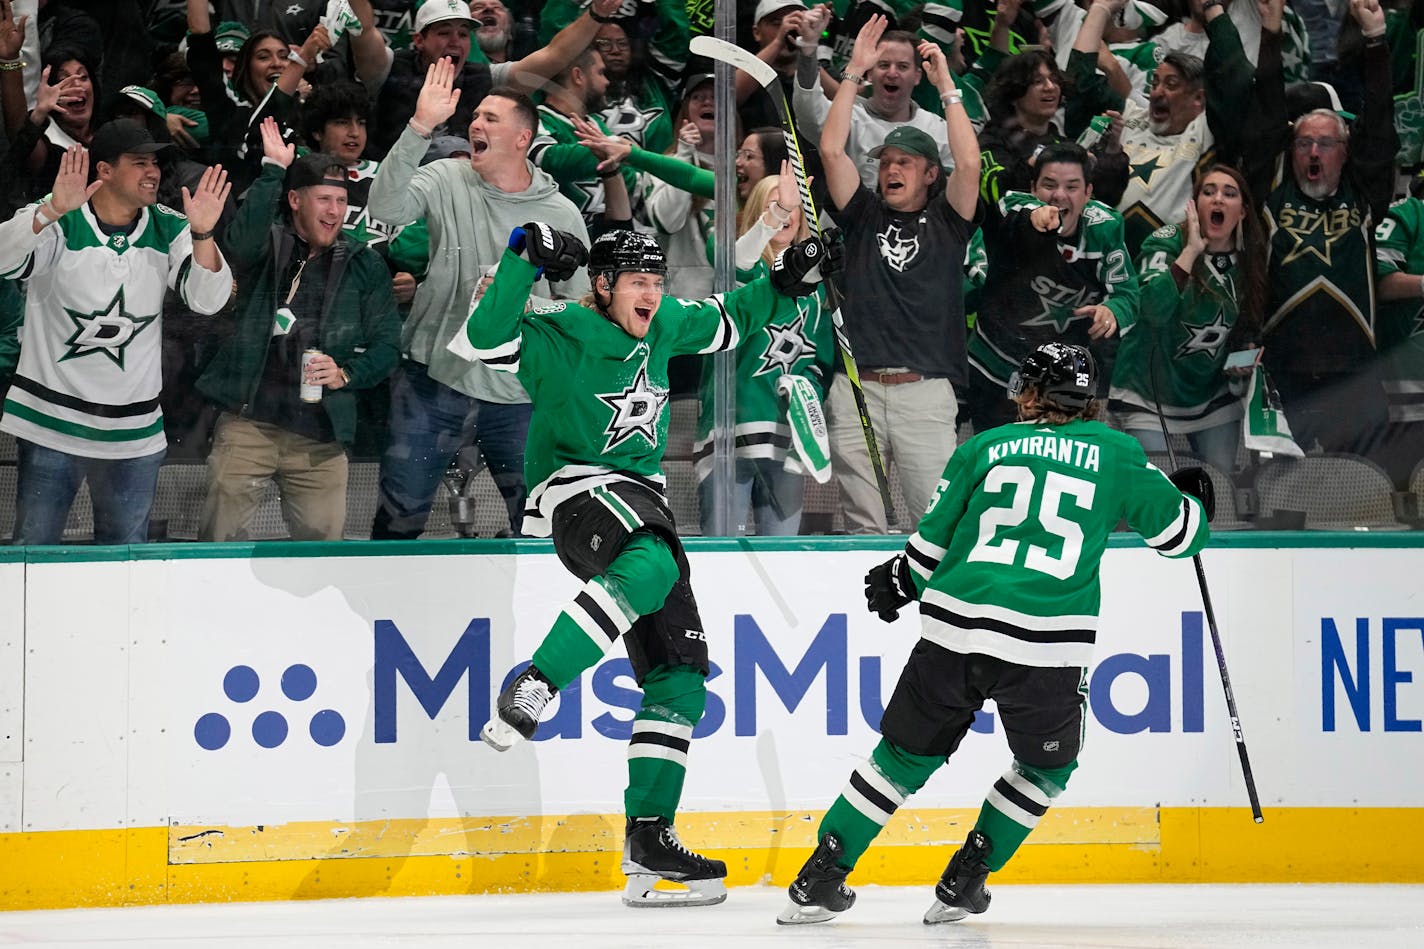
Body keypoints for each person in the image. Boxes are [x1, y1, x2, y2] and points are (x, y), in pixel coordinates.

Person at [456, 225, 831, 906]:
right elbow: (484, 338)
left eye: (657, 281)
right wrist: (521, 255)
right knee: (654, 563)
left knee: (681, 678)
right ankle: (536, 683)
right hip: (577, 492)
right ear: (602, 286)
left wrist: (787, 279)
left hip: (639, 503)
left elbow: (733, 317)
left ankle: (649, 843)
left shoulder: (666, 324)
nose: (651, 293)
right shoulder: (561, 322)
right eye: (637, 282)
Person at [779, 342, 1211, 925]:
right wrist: (1193, 500)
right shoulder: (1117, 452)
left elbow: (927, 552)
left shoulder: (981, 447)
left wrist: (898, 582)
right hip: (1045, 648)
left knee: (899, 761)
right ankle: (965, 880)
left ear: (1031, 393)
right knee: (1046, 768)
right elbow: (1180, 539)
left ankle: (819, 878)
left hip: (953, 632)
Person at [365, 61, 590, 539]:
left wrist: (525, 309)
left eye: (491, 118)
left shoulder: (561, 212)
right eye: (476, 115)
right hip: (432, 380)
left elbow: (580, 309)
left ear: (522, 139)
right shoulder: (447, 177)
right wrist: (420, 126)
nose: (475, 123)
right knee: (399, 517)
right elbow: (384, 208)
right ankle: (385, 607)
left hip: (520, 395)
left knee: (538, 522)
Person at [0, 121, 232, 544]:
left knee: (126, 569)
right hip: (52, 424)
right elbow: (3, 259)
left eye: (156, 163)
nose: (153, 172)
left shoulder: (171, 227)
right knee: (34, 558)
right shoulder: (61, 217)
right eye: (139, 162)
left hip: (134, 436)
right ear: (104, 171)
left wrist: (203, 233)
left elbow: (208, 300)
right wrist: (51, 209)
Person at [196, 120, 401, 542]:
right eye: (323, 199)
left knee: (323, 552)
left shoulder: (365, 263)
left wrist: (346, 374)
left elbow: (388, 347)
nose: (334, 211)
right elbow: (236, 245)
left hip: (321, 437)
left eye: (341, 201)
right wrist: (273, 169)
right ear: (293, 200)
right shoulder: (267, 245)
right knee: (220, 540)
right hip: (249, 423)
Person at [819, 14, 981, 534]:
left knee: (935, 531)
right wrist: (852, 74)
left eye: (905, 163)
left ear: (931, 173)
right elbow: (829, 149)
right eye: (885, 161)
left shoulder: (949, 222)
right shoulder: (863, 215)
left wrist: (946, 87)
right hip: (856, 390)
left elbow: (971, 165)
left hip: (926, 394)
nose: (891, 169)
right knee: (861, 530)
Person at [1246, 0, 1396, 459]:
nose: (1314, 151)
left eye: (1326, 143)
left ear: (1345, 152)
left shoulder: (1364, 194)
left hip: (1353, 372)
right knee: (1277, 490)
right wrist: (1270, 34)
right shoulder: (1271, 189)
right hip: (1283, 369)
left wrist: (1376, 41)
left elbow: (1381, 126)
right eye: (1304, 142)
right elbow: (1266, 117)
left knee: (1364, 484)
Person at [693, 169, 836, 535]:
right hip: (729, 430)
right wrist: (772, 219)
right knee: (723, 557)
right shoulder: (739, 266)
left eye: (792, 208)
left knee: (783, 552)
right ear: (759, 211)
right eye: (774, 205)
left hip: (786, 433)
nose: (786, 214)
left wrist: (808, 395)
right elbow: (740, 261)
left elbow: (821, 360)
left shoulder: (818, 285)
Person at [966, 142, 1138, 432]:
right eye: (1049, 185)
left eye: (1072, 187)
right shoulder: (1014, 206)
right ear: (1033, 188)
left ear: (1088, 193)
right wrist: (1036, 217)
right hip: (994, 366)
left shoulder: (1104, 229)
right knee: (996, 461)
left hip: (1060, 377)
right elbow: (1021, 212)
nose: (1059, 195)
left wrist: (1113, 309)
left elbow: (1128, 295)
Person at [1110, 164, 1266, 474]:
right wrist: (1192, 251)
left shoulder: (1250, 261)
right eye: (1208, 192)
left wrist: (1244, 358)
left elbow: (1246, 327)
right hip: (1147, 393)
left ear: (1243, 211)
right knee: (1157, 490)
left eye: (1229, 193)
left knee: (1218, 492)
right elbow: (1152, 310)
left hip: (1210, 395)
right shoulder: (1165, 241)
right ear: (1195, 205)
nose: (1218, 200)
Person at [1067, 0, 1256, 252]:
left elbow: (1236, 78)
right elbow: (1079, 83)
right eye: (1155, 82)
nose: (1157, 92)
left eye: (1171, 84)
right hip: (1106, 256)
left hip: (1170, 262)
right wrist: (1100, 9)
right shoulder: (1132, 116)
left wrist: (1212, 8)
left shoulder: (1206, 131)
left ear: (1198, 98)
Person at [366, 0, 621, 158]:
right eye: (444, 33)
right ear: (419, 40)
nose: (455, 41)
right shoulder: (388, 66)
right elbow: (365, 32)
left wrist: (596, 14)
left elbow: (553, 56)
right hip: (395, 191)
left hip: (462, 192)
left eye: (464, 34)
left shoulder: (485, 77)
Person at [793, 9, 953, 190]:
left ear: (917, 76)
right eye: (884, 65)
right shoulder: (845, 118)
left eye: (902, 66)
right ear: (870, 72)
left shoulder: (938, 129)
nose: (892, 73)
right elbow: (807, 110)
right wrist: (808, 48)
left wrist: (948, 88)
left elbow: (958, 186)